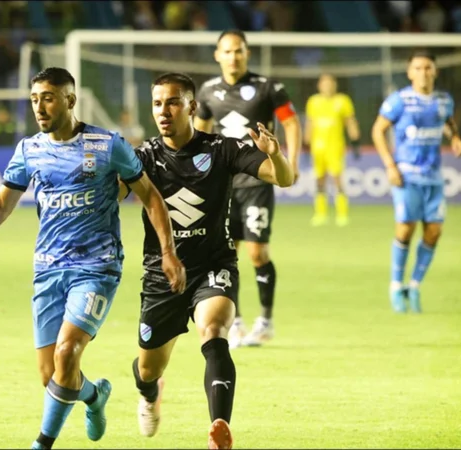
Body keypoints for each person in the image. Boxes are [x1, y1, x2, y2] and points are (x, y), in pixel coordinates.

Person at [0, 67, 187, 450]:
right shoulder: (30, 150)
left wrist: (168, 253)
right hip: (48, 268)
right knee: (52, 375)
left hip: (97, 267)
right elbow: (2, 204)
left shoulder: (107, 145)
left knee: (67, 351)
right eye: (35, 99)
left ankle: (42, 443)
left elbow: (150, 195)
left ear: (70, 100)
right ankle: (94, 396)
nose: (40, 107)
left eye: (49, 98)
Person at [119, 72, 293, 450]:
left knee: (214, 333)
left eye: (173, 102)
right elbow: (113, 195)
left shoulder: (222, 149)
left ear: (193, 107)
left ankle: (219, 427)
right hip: (161, 273)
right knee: (148, 369)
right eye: (157, 103)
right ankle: (150, 393)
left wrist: (275, 154)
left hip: (214, 264)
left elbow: (285, 178)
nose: (164, 111)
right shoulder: (143, 156)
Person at [193, 29, 302, 348]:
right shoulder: (208, 92)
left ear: (247, 53)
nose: (233, 56)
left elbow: (292, 123)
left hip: (257, 182)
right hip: (224, 186)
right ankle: (235, 322)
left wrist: (290, 161)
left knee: (257, 252)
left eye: (238, 51)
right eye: (227, 51)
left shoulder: (268, 87)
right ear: (217, 55)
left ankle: (265, 321)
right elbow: (200, 136)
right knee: (228, 254)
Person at [371, 50, 461, 313]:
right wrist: (390, 165)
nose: (423, 73)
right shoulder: (399, 101)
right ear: (410, 72)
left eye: (427, 68)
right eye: (418, 68)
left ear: (435, 71)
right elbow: (378, 130)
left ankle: (414, 285)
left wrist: (454, 137)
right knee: (405, 229)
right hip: (406, 176)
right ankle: (395, 285)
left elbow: (447, 122)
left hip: (433, 178)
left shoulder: (444, 100)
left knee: (434, 232)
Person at [304, 73, 361, 226]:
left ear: (335, 85)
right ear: (319, 85)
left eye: (330, 83)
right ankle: (320, 213)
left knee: (337, 179)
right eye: (324, 83)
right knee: (319, 180)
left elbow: (350, 122)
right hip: (317, 148)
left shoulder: (342, 101)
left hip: (335, 147)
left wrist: (355, 141)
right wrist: (305, 142)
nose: (327, 86)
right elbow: (310, 123)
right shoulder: (313, 101)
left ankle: (342, 213)